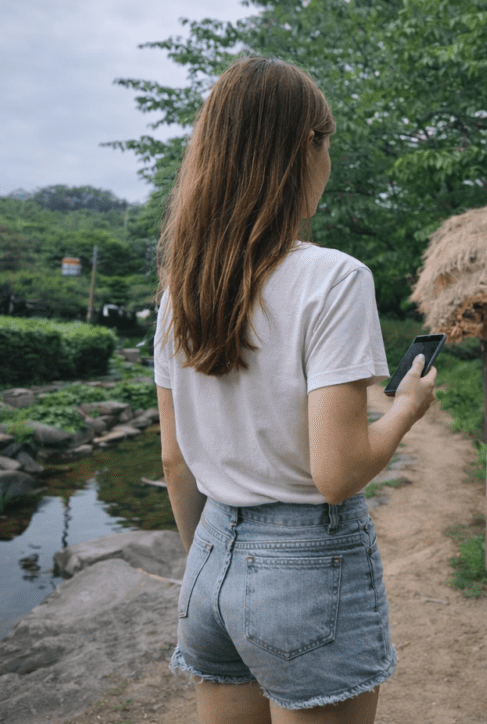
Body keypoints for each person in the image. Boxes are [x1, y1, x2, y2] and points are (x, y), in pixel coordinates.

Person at [153, 55, 437, 724]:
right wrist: (405, 409)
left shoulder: (179, 293)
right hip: (304, 566)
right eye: (327, 140)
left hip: (210, 560)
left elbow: (174, 461)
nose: (329, 161)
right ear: (304, 147)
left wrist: (213, 563)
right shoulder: (333, 280)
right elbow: (337, 474)